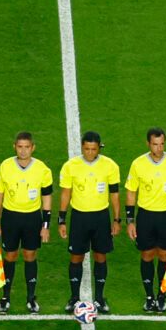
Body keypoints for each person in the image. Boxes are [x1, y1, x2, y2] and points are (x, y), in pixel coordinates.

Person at [55, 130, 123, 312]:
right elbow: (65, 194)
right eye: (86, 149)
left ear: (99, 148)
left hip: (101, 217)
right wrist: (61, 220)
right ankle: (74, 298)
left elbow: (115, 195)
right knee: (76, 256)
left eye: (93, 149)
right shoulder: (70, 166)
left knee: (100, 256)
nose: (90, 153)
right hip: (79, 218)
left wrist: (117, 219)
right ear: (82, 148)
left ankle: (100, 298)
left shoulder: (110, 166)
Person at [124, 127, 166, 313]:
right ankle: (149, 296)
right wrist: (130, 220)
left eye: (161, 144)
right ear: (148, 144)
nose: (159, 149)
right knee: (147, 255)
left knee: (164, 256)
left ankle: (162, 295)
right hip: (146, 216)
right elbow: (131, 193)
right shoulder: (137, 164)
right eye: (155, 144)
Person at [0, 131, 53, 314]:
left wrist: (46, 225)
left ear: (33, 148)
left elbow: (47, 197)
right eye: (20, 147)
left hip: (32, 218)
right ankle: (5, 297)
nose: (23, 151)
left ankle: (31, 298)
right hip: (10, 218)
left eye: (27, 147)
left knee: (30, 255)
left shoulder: (42, 169)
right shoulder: (6, 166)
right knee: (9, 256)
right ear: (14, 147)